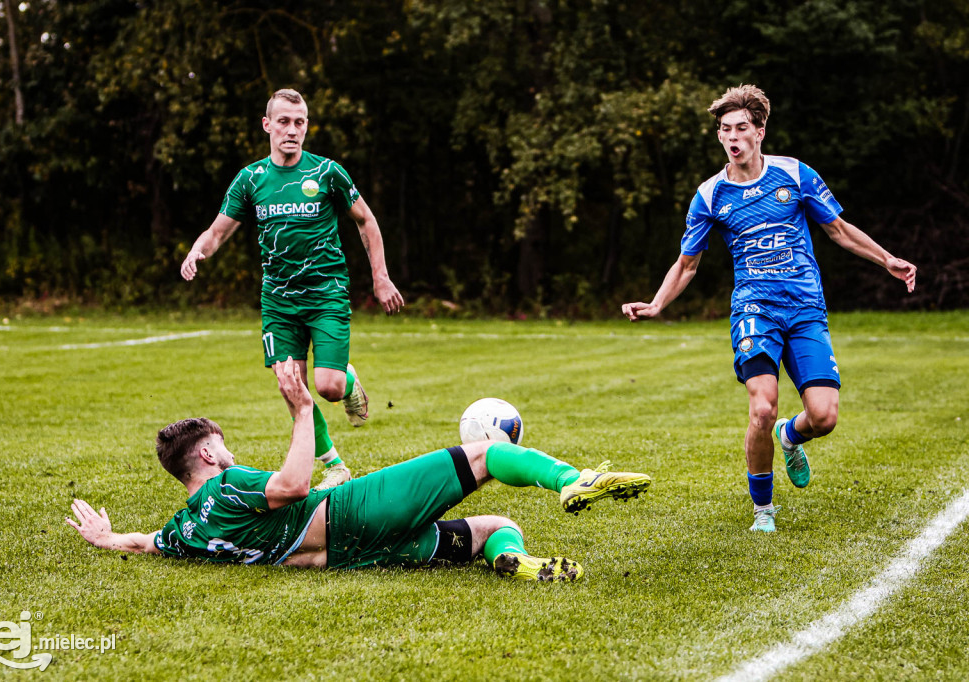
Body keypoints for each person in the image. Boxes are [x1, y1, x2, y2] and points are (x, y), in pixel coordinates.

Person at [621, 84, 916, 533]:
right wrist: (659, 303)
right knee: (762, 408)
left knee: (825, 417)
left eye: (741, 128)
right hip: (753, 310)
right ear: (719, 136)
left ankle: (790, 435)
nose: (733, 137)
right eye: (725, 130)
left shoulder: (795, 175)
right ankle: (763, 510)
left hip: (804, 309)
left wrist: (887, 259)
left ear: (760, 131)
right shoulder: (710, 195)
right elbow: (688, 263)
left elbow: (838, 230)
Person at [65, 359, 652, 582]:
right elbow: (289, 486)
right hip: (354, 518)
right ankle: (570, 478)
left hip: (355, 554)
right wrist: (301, 412)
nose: (232, 454)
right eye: (226, 446)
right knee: (482, 456)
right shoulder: (227, 483)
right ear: (208, 456)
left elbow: (145, 543)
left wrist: (106, 537)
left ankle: (508, 559)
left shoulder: (188, 530)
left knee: (490, 525)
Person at [179, 88, 404, 491]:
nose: (292, 130)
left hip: (326, 294)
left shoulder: (327, 173)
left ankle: (349, 382)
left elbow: (366, 221)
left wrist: (381, 276)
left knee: (328, 387)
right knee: (290, 384)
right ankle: (334, 465)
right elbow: (218, 231)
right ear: (267, 125)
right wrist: (197, 251)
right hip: (279, 302)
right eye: (283, 121)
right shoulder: (251, 179)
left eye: (299, 123)